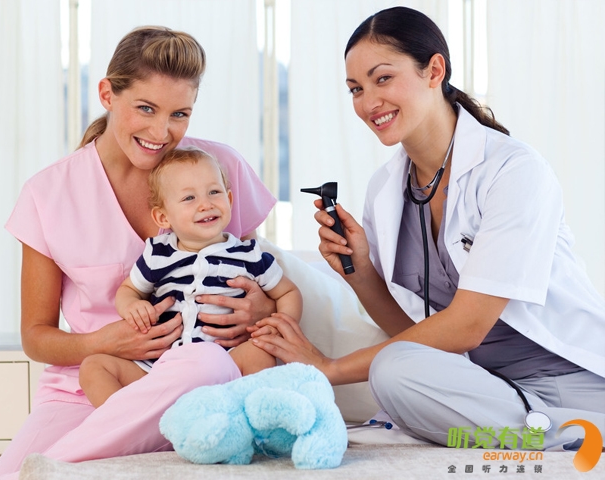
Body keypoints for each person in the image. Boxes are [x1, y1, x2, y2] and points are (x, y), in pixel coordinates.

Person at [252, 6, 605, 451]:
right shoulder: (385, 188)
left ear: (434, 70)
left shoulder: (513, 170)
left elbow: (465, 328)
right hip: (482, 384)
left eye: (382, 79)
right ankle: (548, 430)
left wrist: (330, 368)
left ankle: (576, 428)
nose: (368, 102)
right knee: (396, 371)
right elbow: (412, 336)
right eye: (356, 89)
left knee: (389, 369)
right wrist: (359, 271)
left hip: (564, 378)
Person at [0, 26, 278, 480]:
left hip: (208, 382)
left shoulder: (220, 170)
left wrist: (262, 309)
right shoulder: (48, 194)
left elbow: (258, 276)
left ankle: (67, 462)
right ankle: (141, 433)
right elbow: (36, 337)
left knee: (202, 363)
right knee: (6, 474)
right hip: (93, 388)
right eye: (145, 108)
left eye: (179, 114)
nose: (161, 132)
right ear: (107, 94)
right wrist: (103, 343)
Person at [79, 147, 302, 408]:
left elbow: (288, 292)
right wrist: (132, 307)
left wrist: (277, 327)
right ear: (163, 217)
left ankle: (254, 415)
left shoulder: (248, 255)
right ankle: (125, 420)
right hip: (160, 367)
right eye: (189, 198)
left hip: (225, 362)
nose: (205, 204)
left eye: (214, 192)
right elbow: (129, 290)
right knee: (93, 367)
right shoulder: (158, 254)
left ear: (230, 199)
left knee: (259, 353)